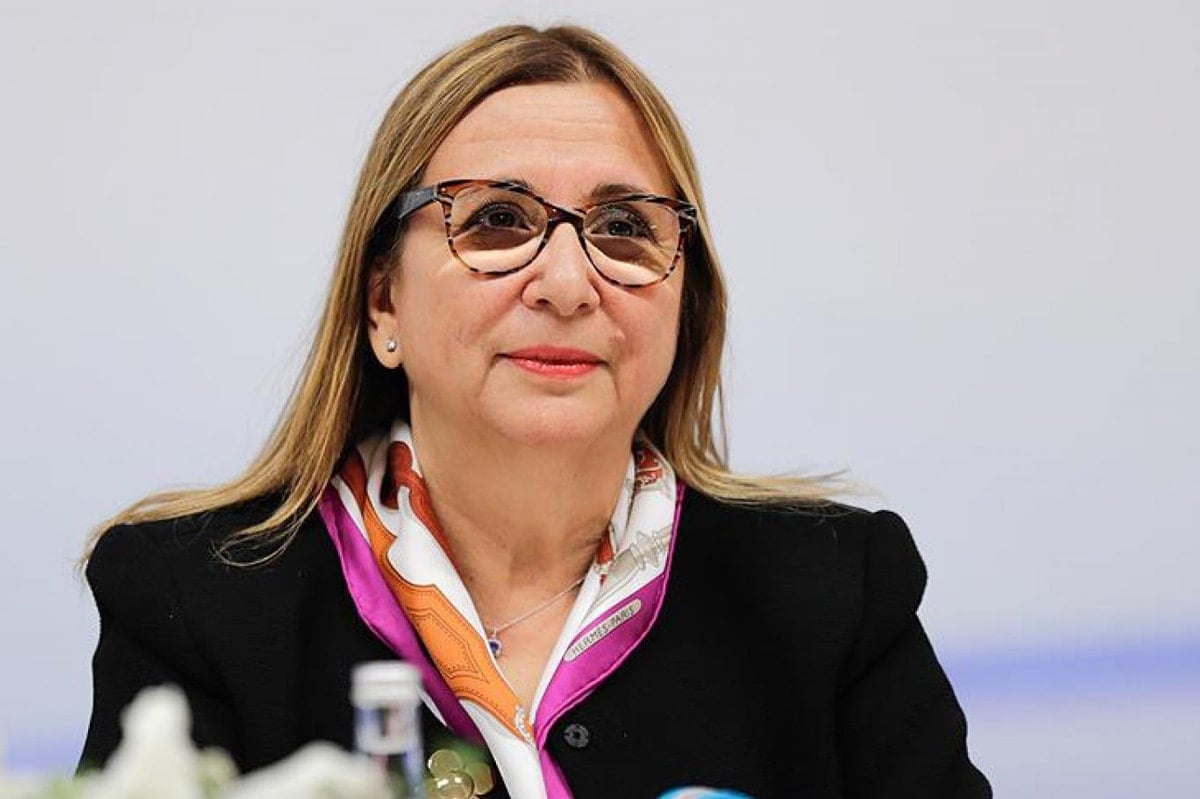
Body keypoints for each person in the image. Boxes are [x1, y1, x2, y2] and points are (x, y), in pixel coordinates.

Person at [79, 23, 991, 799]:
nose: (566, 283)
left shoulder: (833, 591)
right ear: (383, 301)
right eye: (496, 220)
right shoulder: (193, 600)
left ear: (685, 305)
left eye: (625, 228)